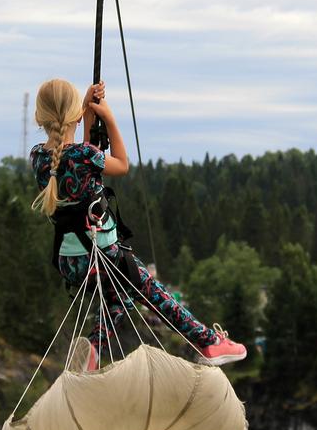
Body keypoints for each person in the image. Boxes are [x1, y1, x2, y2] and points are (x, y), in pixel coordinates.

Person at [30, 78, 247, 370]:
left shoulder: (40, 158)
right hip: (105, 257)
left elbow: (74, 158)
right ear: (77, 117)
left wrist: (85, 109)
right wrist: (107, 117)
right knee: (153, 292)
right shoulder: (84, 155)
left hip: (71, 261)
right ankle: (207, 342)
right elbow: (121, 163)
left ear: (39, 118)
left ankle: (93, 350)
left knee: (119, 298)